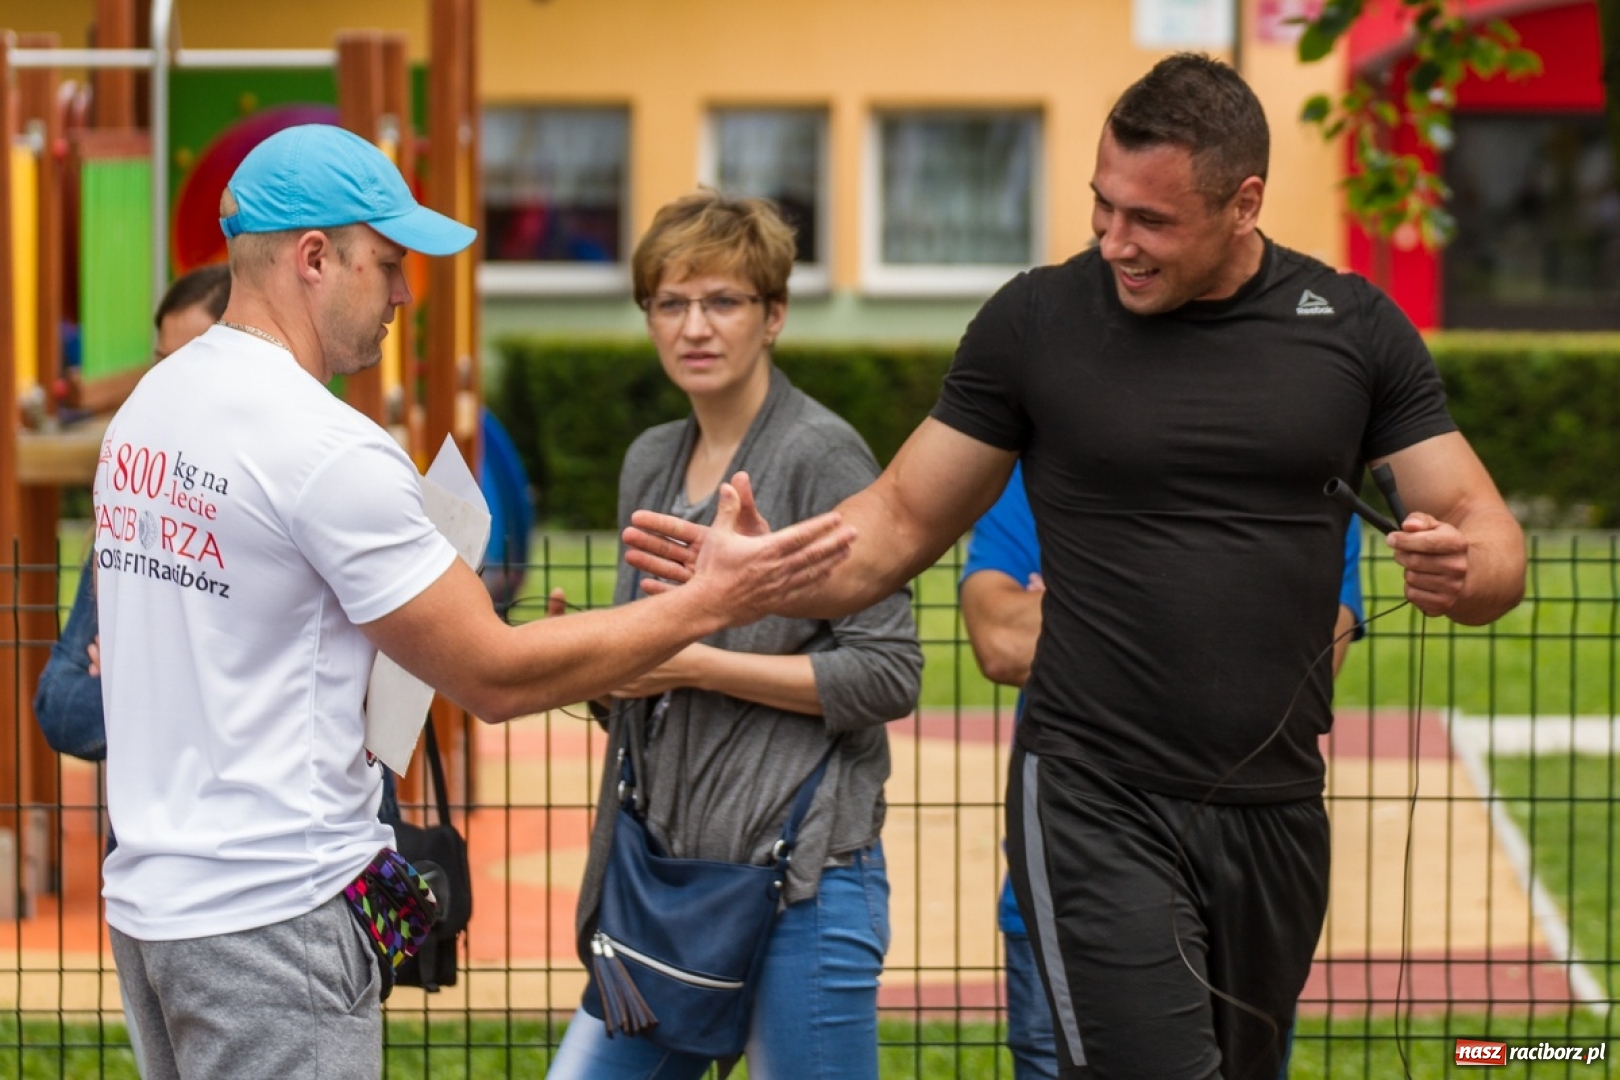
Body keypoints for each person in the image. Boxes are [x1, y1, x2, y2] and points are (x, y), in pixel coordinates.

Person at [620, 54, 1526, 1080]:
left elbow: (1488, 533)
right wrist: (755, 570)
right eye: (1103, 205)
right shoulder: (1036, 323)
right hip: (1094, 795)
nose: (1114, 240)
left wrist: (1469, 569)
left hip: (1276, 806)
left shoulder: (1354, 329)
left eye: (1150, 220)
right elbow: (898, 520)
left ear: (1245, 203)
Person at [92, 125, 854, 1080]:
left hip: (155, 906)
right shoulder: (325, 445)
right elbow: (492, 676)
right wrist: (712, 599)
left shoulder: (151, 410)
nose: (404, 294)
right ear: (315, 258)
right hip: (276, 913)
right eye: (388, 264)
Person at [547, 191, 923, 1080]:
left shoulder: (820, 454)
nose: (694, 327)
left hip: (803, 877)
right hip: (667, 880)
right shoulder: (651, 458)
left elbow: (889, 672)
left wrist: (694, 665)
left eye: (723, 301)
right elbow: (659, 684)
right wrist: (600, 670)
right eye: (670, 303)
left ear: (774, 314)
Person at [960, 463, 1367, 1080]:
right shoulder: (1039, 466)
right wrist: (1210, 611)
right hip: (1077, 883)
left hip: (1247, 881)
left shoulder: (1305, 467)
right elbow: (999, 641)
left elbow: (1299, 668)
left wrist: (1091, 610)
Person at [33, 263, 233, 763]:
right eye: (161, 363)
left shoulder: (273, 493)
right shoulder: (137, 498)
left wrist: (131, 680)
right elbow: (59, 706)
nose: (170, 384)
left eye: (191, 363)